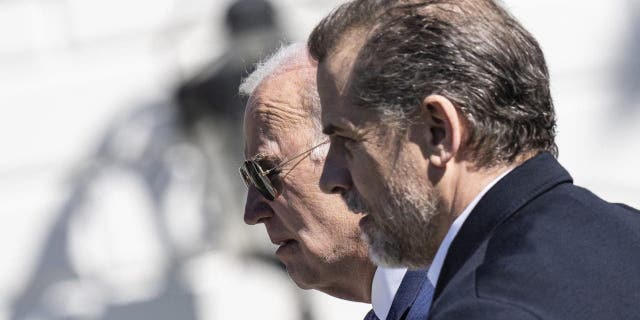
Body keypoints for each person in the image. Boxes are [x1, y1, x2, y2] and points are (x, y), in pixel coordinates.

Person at [308, 0, 640, 319]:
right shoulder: (626, 233)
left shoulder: (487, 307)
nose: (330, 178)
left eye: (347, 140)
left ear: (439, 132)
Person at [240, 43, 432, 320]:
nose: (252, 213)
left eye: (264, 173)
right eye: (248, 177)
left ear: (355, 154)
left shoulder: (470, 301)